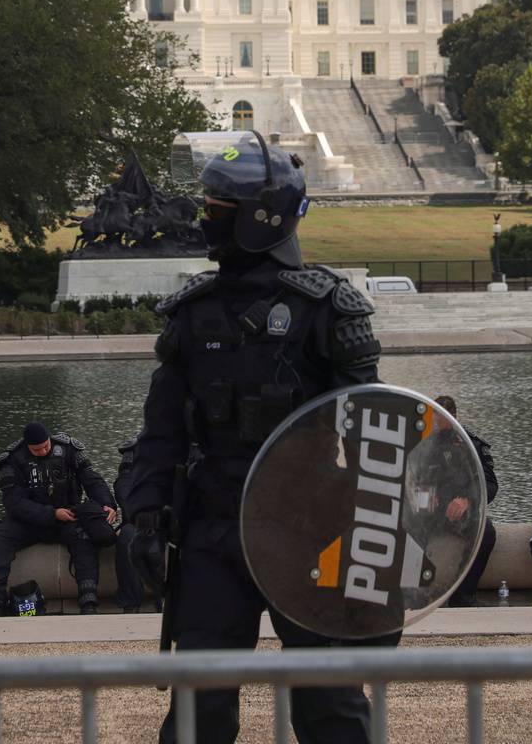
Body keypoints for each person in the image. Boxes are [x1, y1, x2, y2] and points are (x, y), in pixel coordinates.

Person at [125, 131, 390, 744]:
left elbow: (381, 439)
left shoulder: (330, 310)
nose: (204, 218)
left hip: (311, 538)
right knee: (200, 712)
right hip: (213, 533)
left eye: (217, 209)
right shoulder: (193, 313)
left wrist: (376, 543)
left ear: (257, 218)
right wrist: (141, 514)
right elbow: (160, 434)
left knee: (330, 708)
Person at [0, 421, 117, 616]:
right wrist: (51, 514)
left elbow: (92, 479)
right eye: (37, 449)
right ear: (27, 446)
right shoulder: (12, 459)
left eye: (46, 446)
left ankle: (88, 601)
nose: (43, 451)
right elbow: (13, 502)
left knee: (84, 538)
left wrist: (108, 504)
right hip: (27, 521)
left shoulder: (69, 449)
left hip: (67, 517)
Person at [433, 395, 498, 606]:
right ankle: (413, 595)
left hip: (462, 512)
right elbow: (408, 477)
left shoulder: (472, 445)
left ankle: (464, 593)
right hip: (429, 512)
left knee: (486, 533)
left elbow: (491, 485)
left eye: (439, 418)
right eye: (433, 417)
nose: (435, 423)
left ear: (453, 417)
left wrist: (468, 500)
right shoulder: (423, 446)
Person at [110, 435, 158, 614]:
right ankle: (130, 603)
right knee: (128, 536)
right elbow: (124, 490)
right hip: (138, 519)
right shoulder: (134, 451)